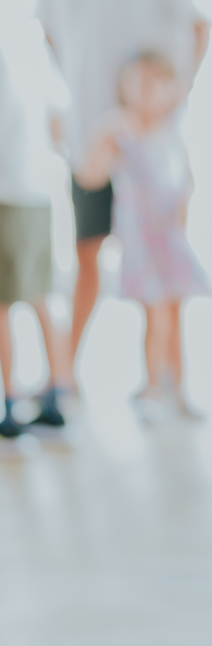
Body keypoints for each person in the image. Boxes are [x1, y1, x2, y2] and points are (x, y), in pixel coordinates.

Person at [36, 0, 209, 379]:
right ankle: (61, 377)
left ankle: (167, 381)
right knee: (87, 258)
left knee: (167, 274)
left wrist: (174, 93)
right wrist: (69, 93)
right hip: (93, 135)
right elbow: (47, 32)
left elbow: (200, 26)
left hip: (153, 142)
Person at [76, 50, 209, 419]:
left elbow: (186, 181)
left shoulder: (170, 133)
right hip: (143, 245)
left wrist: (182, 214)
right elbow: (90, 175)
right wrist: (102, 136)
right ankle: (151, 389)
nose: (149, 92)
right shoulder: (120, 131)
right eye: (141, 83)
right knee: (157, 317)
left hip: (172, 242)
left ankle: (177, 388)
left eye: (157, 83)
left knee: (175, 314)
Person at [0, 25, 68, 440]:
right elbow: (58, 122)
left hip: (7, 193)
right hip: (37, 190)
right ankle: (57, 395)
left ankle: (8, 403)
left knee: (1, 304)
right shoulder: (28, 41)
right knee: (41, 295)